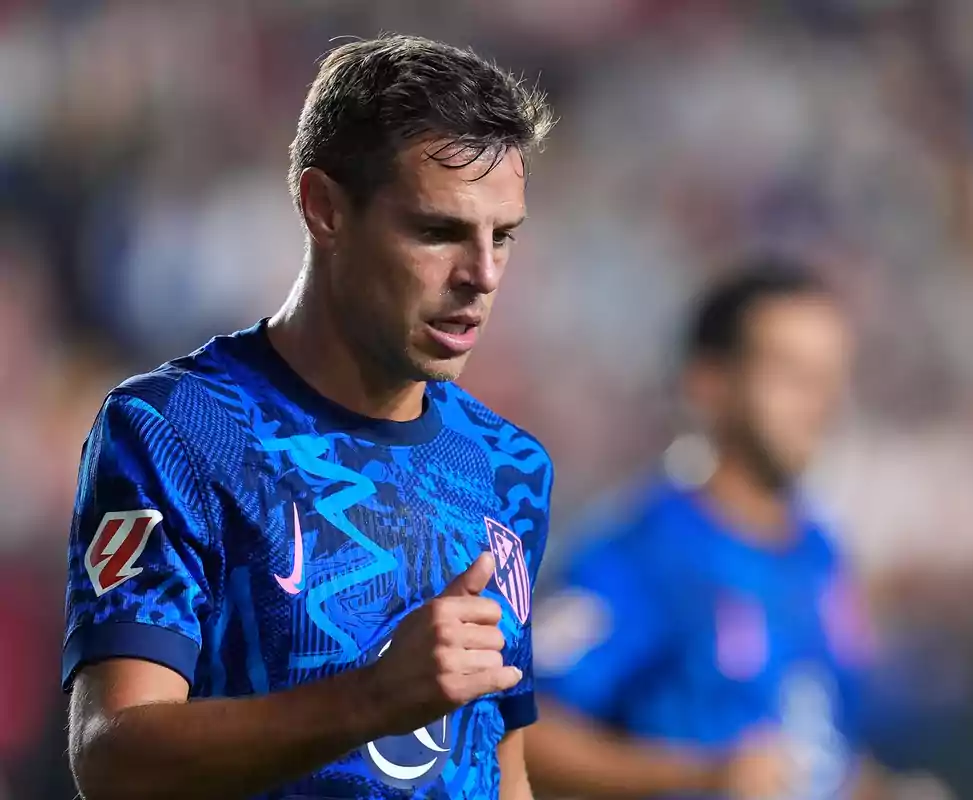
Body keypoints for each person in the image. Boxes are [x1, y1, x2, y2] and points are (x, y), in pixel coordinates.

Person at [62, 35, 555, 800]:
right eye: (438, 231)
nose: (482, 276)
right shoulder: (177, 430)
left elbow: (501, 762)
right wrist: (370, 699)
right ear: (324, 208)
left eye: (504, 237)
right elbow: (112, 757)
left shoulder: (510, 465)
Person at [525, 262, 874, 800]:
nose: (818, 403)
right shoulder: (646, 551)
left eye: (830, 378)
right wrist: (702, 777)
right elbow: (525, 727)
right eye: (792, 376)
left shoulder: (820, 554)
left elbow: (819, 753)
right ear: (710, 383)